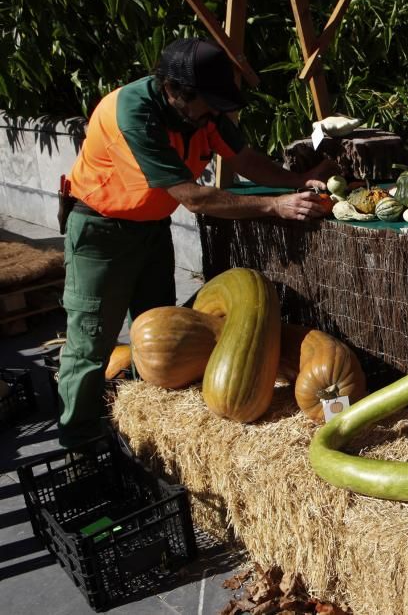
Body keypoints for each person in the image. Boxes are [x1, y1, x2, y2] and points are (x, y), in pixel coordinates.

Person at [58, 37, 336, 449]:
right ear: (173, 91)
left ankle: (143, 428)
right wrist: (275, 205)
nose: (214, 113)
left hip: (150, 228)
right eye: (208, 103)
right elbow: (193, 198)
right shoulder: (133, 113)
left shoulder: (199, 113)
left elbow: (243, 158)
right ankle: (80, 441)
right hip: (101, 233)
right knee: (91, 340)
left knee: (164, 335)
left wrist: (296, 180)